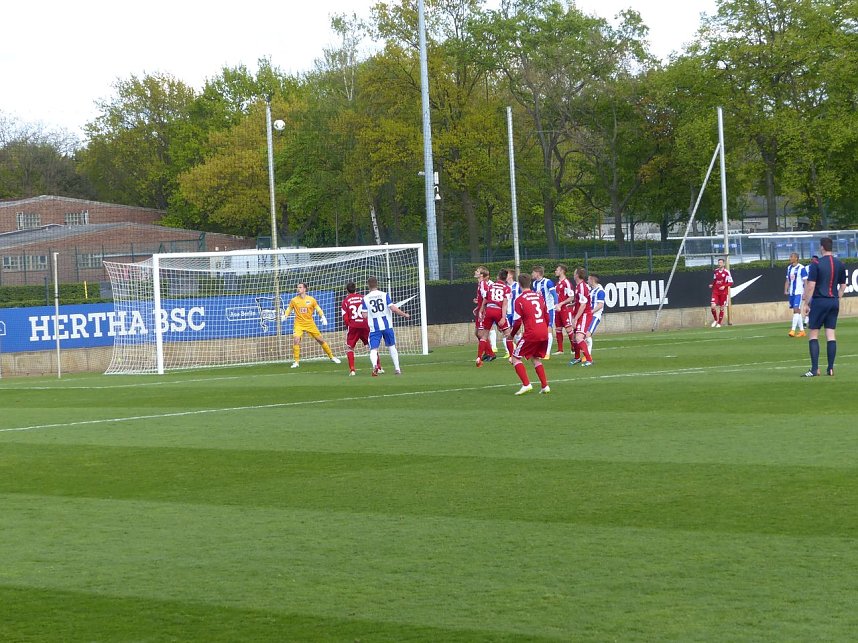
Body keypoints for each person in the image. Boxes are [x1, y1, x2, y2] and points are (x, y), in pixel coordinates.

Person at [801, 238, 848, 377]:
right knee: (831, 334)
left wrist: (806, 303)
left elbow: (811, 286)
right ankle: (831, 368)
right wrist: (837, 298)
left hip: (820, 301)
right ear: (831, 248)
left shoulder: (817, 264)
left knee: (813, 334)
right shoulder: (840, 264)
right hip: (833, 301)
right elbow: (843, 286)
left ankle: (815, 369)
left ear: (822, 247)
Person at [505, 272, 550, 395]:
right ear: (530, 283)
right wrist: (543, 329)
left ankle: (526, 384)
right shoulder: (539, 297)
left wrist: (512, 335)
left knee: (515, 358)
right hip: (544, 332)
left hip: (531, 333)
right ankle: (545, 386)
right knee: (536, 358)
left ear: (519, 284)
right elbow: (547, 316)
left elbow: (518, 321)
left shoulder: (519, 300)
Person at [284, 282, 341, 368]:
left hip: (310, 324)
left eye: (300, 287)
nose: (298, 289)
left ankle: (331, 357)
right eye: (297, 287)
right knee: (296, 340)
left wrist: (323, 317)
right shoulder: (294, 300)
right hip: (298, 324)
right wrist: (285, 315)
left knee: (321, 340)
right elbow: (289, 308)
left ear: (304, 289)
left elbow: (318, 308)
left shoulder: (311, 299)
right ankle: (296, 362)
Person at [362, 276, 410, 376]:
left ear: (368, 285)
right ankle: (397, 369)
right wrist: (404, 314)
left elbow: (364, 315)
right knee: (392, 346)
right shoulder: (384, 295)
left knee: (373, 349)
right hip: (387, 326)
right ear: (377, 284)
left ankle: (375, 366)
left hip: (375, 328)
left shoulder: (365, 298)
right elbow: (393, 309)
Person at [341, 281, 380, 376]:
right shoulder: (363, 298)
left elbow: (345, 318)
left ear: (347, 290)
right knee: (372, 346)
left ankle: (352, 370)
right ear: (356, 289)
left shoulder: (345, 301)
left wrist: (349, 327)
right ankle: (378, 367)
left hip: (353, 326)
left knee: (350, 348)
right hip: (365, 325)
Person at [477, 269, 512, 364]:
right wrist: (503, 318)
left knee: (484, 335)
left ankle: (479, 358)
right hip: (498, 311)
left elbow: (485, 299)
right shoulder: (506, 288)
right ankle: (512, 357)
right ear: (505, 278)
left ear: (498, 276)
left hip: (489, 310)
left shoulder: (491, 286)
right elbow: (505, 304)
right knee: (508, 334)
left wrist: (481, 310)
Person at [568, 267, 594, 366]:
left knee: (579, 337)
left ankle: (589, 359)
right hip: (579, 314)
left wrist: (575, 319)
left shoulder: (582, 287)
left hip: (584, 315)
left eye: (575, 273)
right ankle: (577, 357)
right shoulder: (579, 286)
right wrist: (573, 304)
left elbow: (583, 305)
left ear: (577, 275)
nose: (573, 274)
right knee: (574, 338)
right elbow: (581, 302)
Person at [530, 265, 556, 358]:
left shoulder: (547, 282)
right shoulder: (534, 284)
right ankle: (540, 350)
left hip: (549, 310)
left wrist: (557, 304)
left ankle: (547, 353)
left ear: (537, 273)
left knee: (548, 329)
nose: (532, 274)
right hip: (539, 311)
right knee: (540, 330)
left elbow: (554, 294)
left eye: (533, 272)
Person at [472, 265, 495, 365]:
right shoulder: (480, 284)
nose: (475, 272)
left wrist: (482, 309)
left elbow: (487, 297)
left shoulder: (483, 284)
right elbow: (483, 297)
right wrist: (477, 306)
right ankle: (489, 352)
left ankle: (490, 354)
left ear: (481, 275)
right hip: (480, 311)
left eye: (477, 271)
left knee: (481, 334)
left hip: (484, 312)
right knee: (477, 333)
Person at [784, 252, 808, 337]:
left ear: (796, 258)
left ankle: (793, 330)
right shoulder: (789, 268)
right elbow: (787, 280)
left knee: (796, 309)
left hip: (799, 292)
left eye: (791, 257)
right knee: (796, 311)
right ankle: (802, 331)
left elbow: (805, 281)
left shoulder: (802, 268)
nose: (790, 258)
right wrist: (786, 289)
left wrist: (805, 292)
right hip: (792, 293)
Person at [553, 264, 574, 356]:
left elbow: (571, 297)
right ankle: (560, 349)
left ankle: (574, 348)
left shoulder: (567, 283)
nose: (555, 271)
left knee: (568, 328)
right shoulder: (558, 283)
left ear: (562, 271)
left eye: (557, 270)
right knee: (558, 328)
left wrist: (561, 304)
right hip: (558, 309)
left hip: (565, 309)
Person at [585, 273, 606, 356]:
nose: (587, 281)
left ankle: (588, 355)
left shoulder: (600, 291)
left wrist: (591, 312)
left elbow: (600, 305)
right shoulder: (592, 290)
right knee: (583, 335)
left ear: (592, 280)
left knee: (587, 334)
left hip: (595, 315)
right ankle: (585, 354)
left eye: (588, 279)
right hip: (589, 315)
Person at [709, 258, 733, 327]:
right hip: (715, 291)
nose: (719, 264)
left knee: (721, 307)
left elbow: (731, 282)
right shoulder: (715, 271)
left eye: (720, 263)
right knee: (713, 306)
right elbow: (714, 280)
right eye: (718, 262)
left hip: (723, 293)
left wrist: (724, 286)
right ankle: (715, 320)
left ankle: (719, 323)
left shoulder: (726, 272)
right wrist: (712, 285)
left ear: (724, 264)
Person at [503, 268, 522, 359]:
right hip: (507, 312)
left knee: (517, 331)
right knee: (506, 332)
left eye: (507, 274)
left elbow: (522, 296)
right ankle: (509, 351)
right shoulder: (504, 286)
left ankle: (519, 350)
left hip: (515, 312)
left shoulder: (517, 286)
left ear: (510, 275)